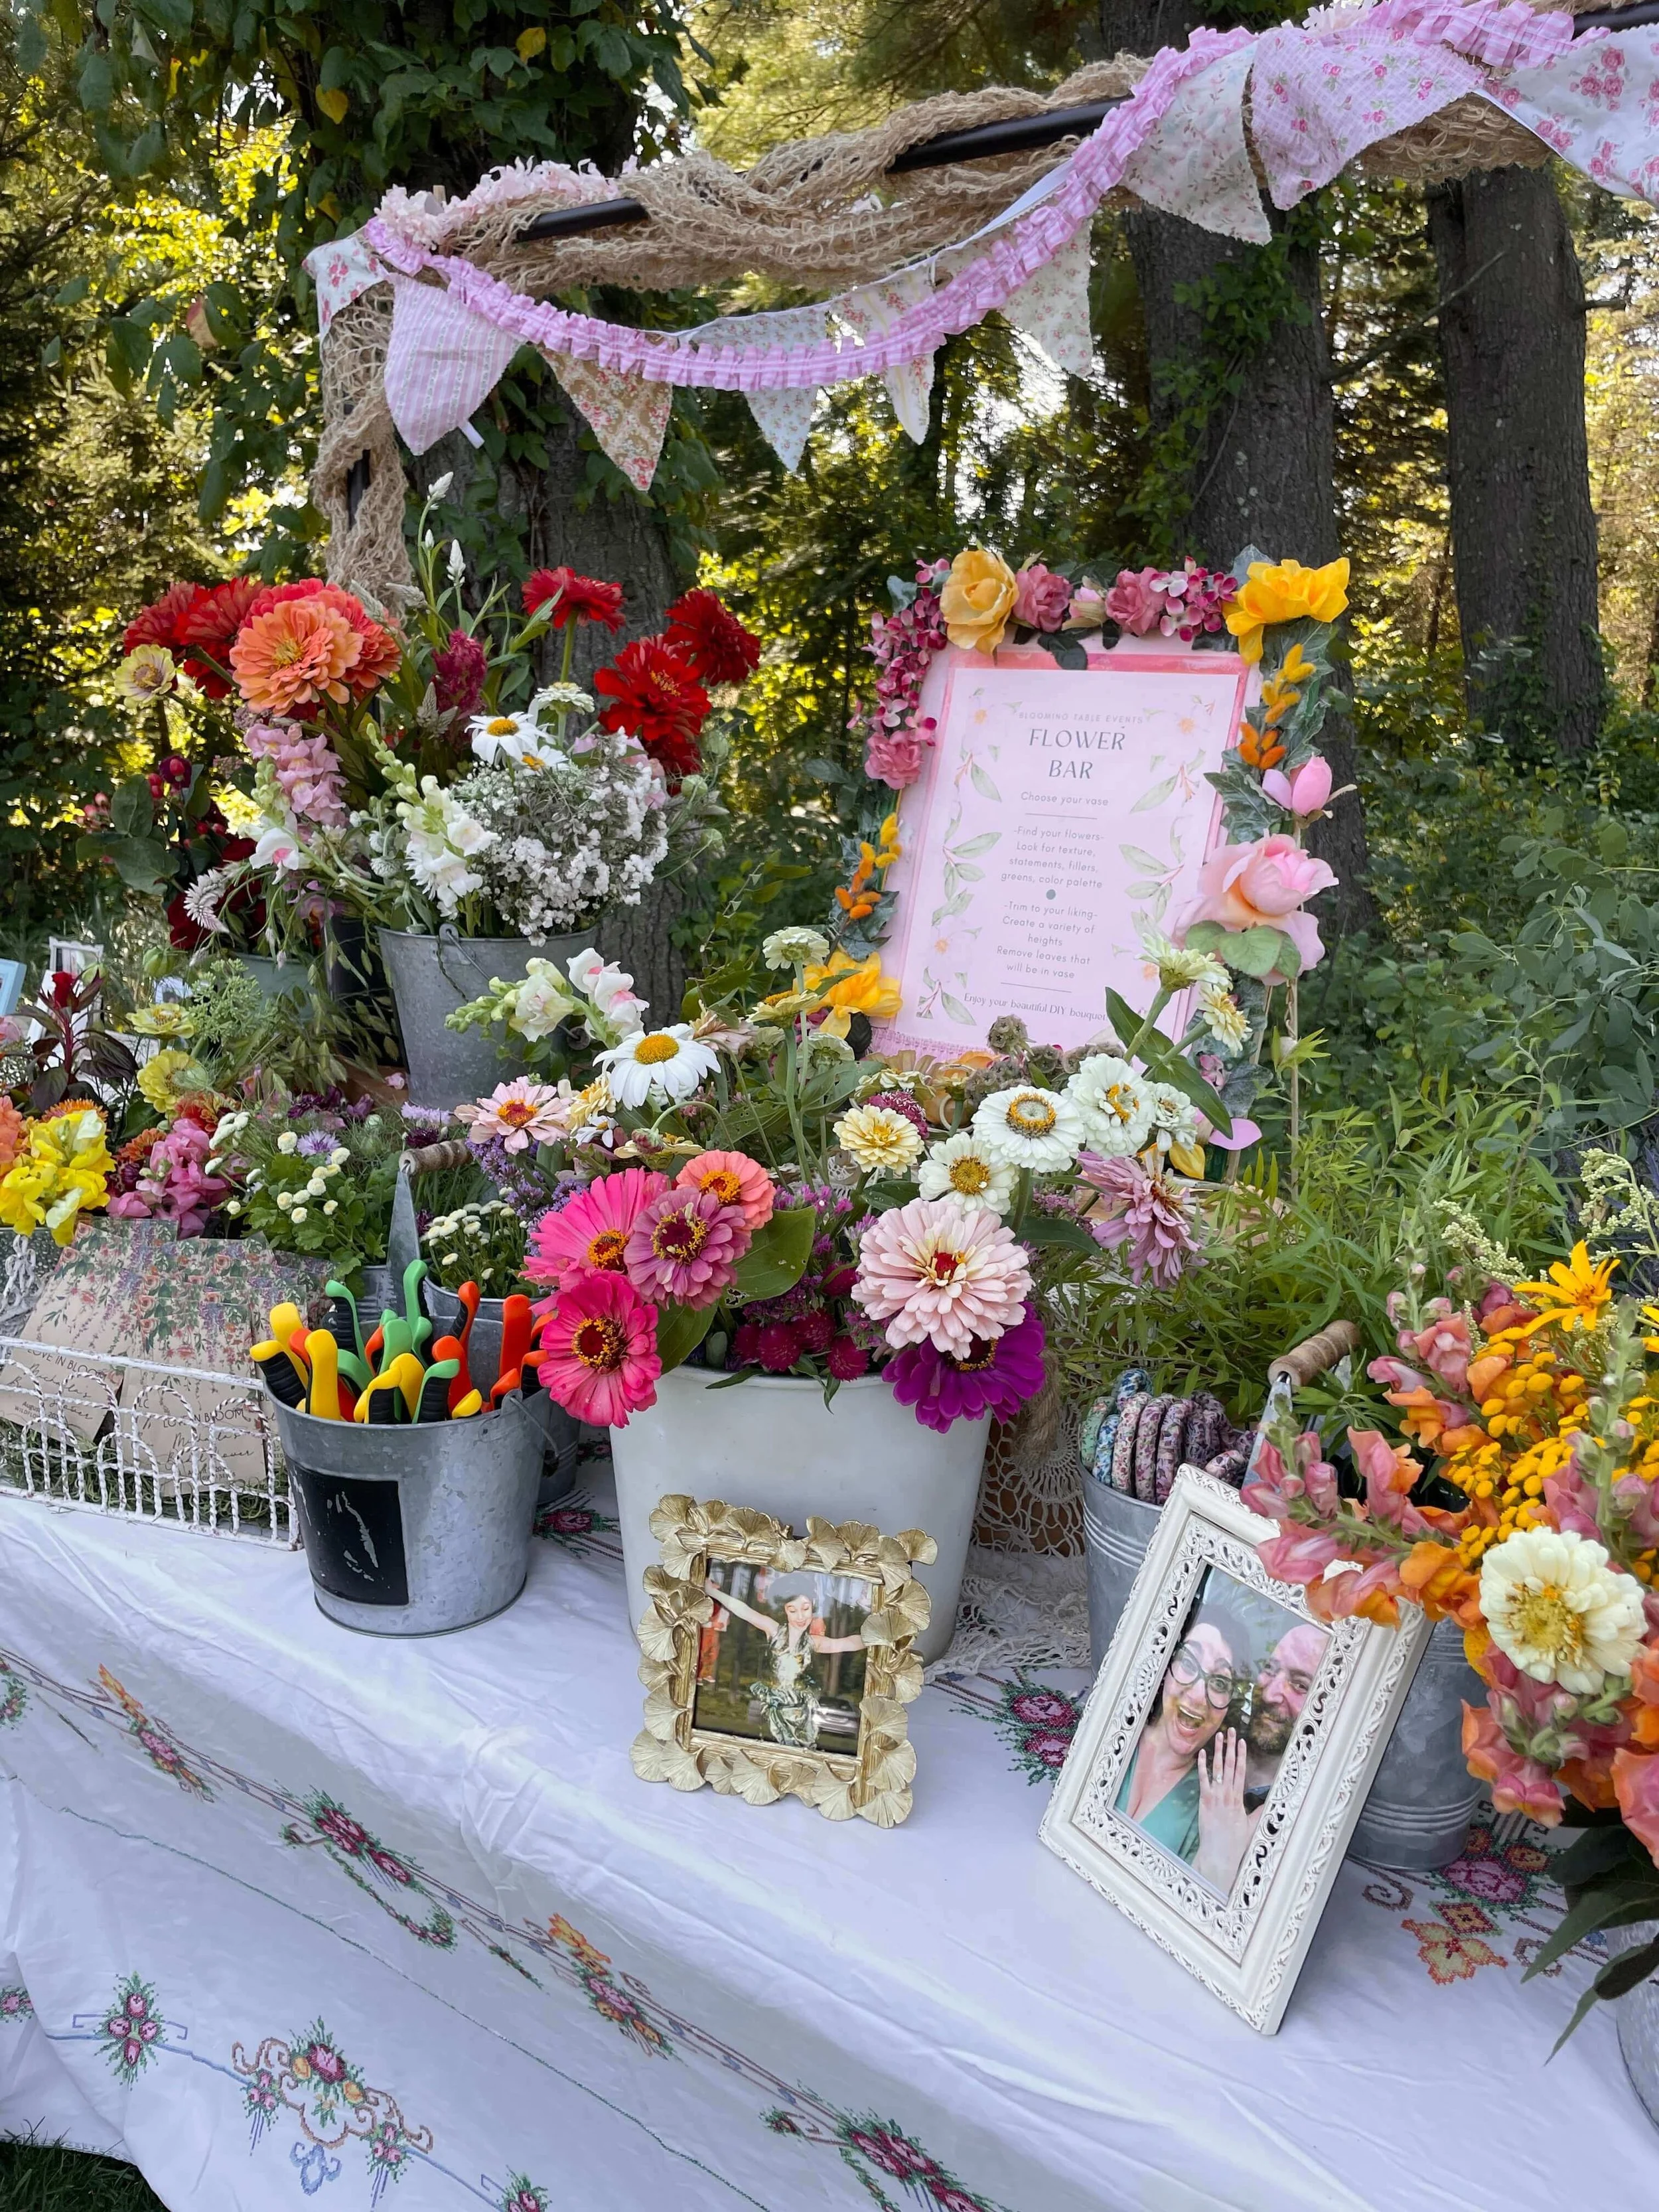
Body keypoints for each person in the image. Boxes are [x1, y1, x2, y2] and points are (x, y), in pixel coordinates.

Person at [1192, 1622, 1328, 1894]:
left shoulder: (1308, 1816)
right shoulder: (1205, 1739)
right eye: (1270, 1669)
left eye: (1300, 1685)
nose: (1269, 1693)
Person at [1114, 1623, 1238, 1862]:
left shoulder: (1213, 1811)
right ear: (1165, 1665)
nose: (1198, 1696)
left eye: (1220, 1683)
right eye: (1189, 1664)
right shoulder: (1110, 1732)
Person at [699, 1574, 865, 1750]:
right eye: (793, 1610)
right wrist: (712, 1592)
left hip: (799, 1711)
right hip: (773, 1706)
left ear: (812, 1608)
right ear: (785, 1610)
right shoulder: (774, 1630)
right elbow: (743, 1610)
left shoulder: (814, 1642)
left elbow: (848, 1643)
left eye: (806, 1608)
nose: (800, 1617)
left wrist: (875, 1637)